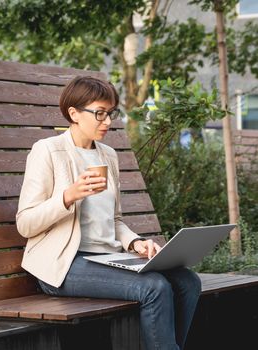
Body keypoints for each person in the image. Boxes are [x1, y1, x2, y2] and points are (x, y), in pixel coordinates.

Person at [16, 76, 201, 350]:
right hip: (64, 265)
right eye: (99, 113)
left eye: (110, 113)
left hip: (108, 258)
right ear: (74, 113)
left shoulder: (107, 155)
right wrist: (68, 196)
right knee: (155, 287)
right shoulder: (48, 151)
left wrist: (135, 242)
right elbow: (26, 223)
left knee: (188, 281)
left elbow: (114, 220)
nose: (107, 121)